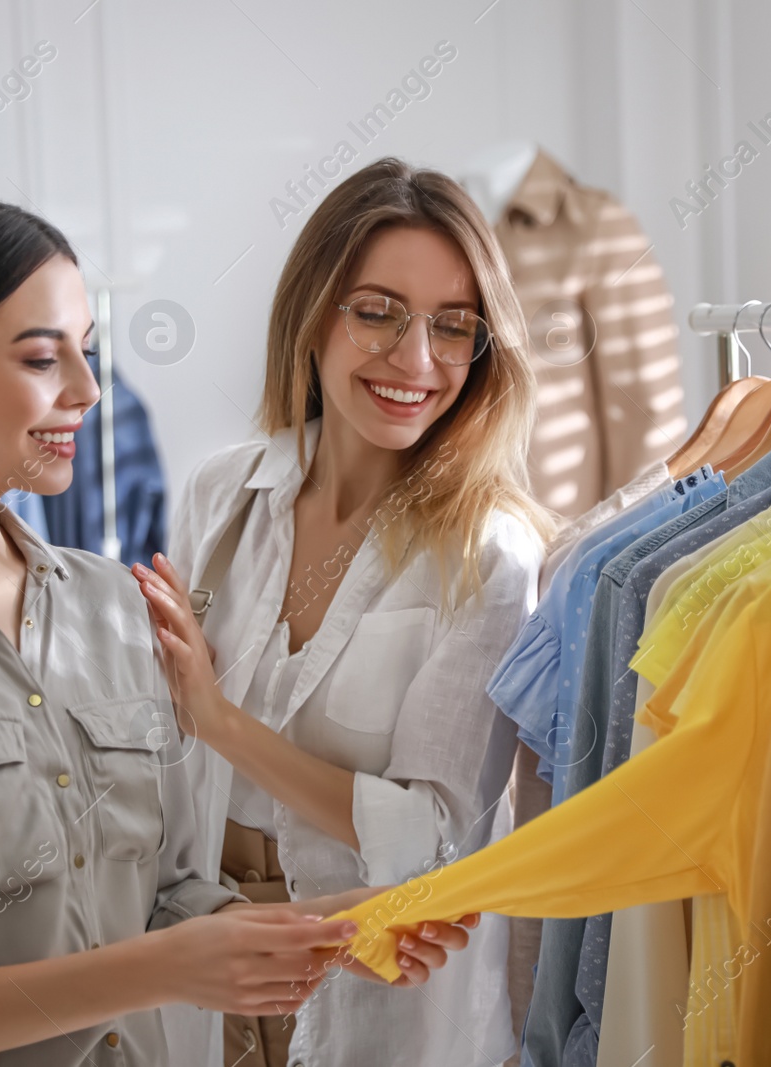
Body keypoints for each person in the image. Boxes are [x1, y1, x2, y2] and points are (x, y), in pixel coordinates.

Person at [0, 196, 471, 1067]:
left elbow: (173, 896)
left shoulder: (115, 606)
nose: (88, 390)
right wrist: (157, 967)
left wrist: (327, 931)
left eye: (88, 351)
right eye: (42, 357)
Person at [132, 158, 554, 1067]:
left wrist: (224, 722)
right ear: (312, 313)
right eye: (377, 312)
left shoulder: (488, 555)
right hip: (208, 961)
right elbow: (168, 756)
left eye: (454, 326)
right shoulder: (224, 494)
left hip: (374, 994)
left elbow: (428, 841)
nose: (417, 360)